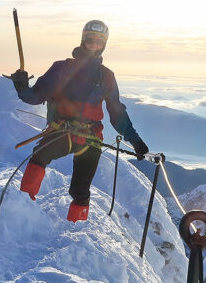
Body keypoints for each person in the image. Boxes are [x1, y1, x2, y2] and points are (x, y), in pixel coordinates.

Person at [10, 20, 149, 222]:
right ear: (83, 41)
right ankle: (19, 208)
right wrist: (22, 87)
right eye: (90, 40)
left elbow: (116, 111)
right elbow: (36, 96)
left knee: (81, 189)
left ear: (104, 45)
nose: (93, 45)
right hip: (63, 131)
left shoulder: (106, 76)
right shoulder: (61, 69)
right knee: (39, 157)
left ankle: (77, 227)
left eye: (98, 42)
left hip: (91, 138)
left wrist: (134, 140)